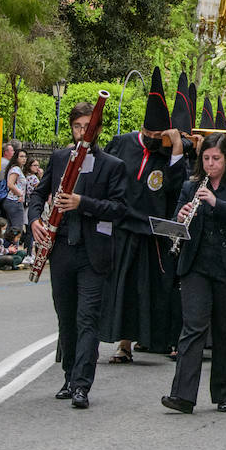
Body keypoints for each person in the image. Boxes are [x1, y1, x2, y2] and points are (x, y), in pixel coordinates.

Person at [29, 100, 127, 409]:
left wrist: (82, 202)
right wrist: (34, 221)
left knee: (88, 319)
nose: (82, 132)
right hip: (62, 251)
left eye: (88, 127)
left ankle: (82, 385)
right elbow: (37, 194)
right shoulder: (59, 158)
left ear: (97, 128)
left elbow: (119, 209)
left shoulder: (113, 165)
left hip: (93, 252)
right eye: (77, 127)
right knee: (66, 318)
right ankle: (69, 376)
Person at [162, 134, 226, 415]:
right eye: (205, 158)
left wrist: (217, 203)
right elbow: (177, 225)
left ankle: (224, 395)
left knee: (225, 332)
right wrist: (181, 217)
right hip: (196, 267)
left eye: (216, 158)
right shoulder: (190, 186)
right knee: (192, 328)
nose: (210, 164)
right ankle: (182, 395)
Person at [100, 68, 191, 363]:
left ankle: (150, 340)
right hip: (123, 228)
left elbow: (178, 189)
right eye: (149, 134)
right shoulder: (122, 144)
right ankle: (124, 344)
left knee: (147, 290)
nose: (153, 139)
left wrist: (176, 147)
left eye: (159, 135)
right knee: (122, 289)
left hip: (153, 234)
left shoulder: (169, 155)